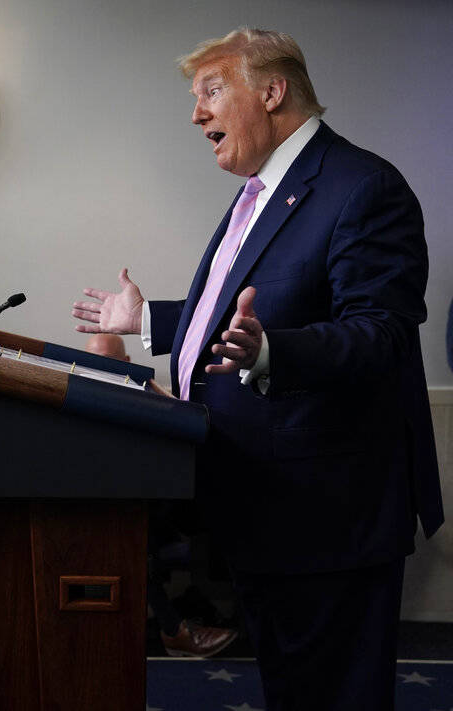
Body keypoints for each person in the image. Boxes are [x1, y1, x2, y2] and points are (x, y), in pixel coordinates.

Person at [71, 28, 443, 711]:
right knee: (294, 689)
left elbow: (381, 334)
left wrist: (273, 352)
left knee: (335, 695)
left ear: (272, 92)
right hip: (266, 505)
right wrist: (149, 320)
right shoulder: (265, 190)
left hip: (328, 515)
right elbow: (247, 308)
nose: (196, 114)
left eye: (212, 92)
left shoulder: (362, 187)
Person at [84, 334, 237, 658]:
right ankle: (175, 628)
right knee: (130, 539)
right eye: (93, 360)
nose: (99, 368)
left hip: (157, 504)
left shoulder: (145, 395)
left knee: (215, 500)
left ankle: (193, 617)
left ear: (125, 363)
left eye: (107, 360)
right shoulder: (77, 399)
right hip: (110, 511)